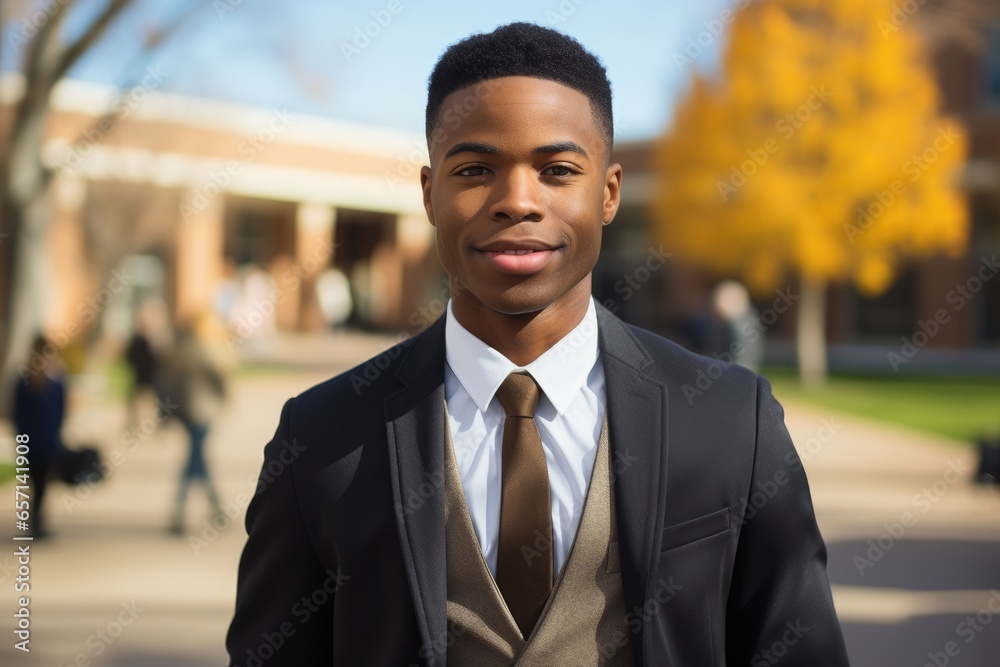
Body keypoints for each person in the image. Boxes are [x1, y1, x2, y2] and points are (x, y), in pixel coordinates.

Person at [227, 22, 849, 666]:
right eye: (474, 170)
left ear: (608, 193)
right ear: (429, 194)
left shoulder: (729, 421)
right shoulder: (323, 439)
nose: (517, 201)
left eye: (556, 170)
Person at [162, 314, 227, 535]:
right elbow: (219, 377)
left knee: (197, 461)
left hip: (187, 413)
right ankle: (189, 514)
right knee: (194, 462)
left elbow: (169, 384)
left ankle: (212, 511)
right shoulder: (203, 349)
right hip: (201, 412)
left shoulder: (180, 351)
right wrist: (224, 399)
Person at [12, 333, 67, 539]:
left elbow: (61, 410)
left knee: (42, 482)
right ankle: (34, 520)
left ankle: (36, 519)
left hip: (46, 440)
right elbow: (17, 411)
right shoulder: (25, 381)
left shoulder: (55, 380)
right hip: (32, 441)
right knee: (34, 482)